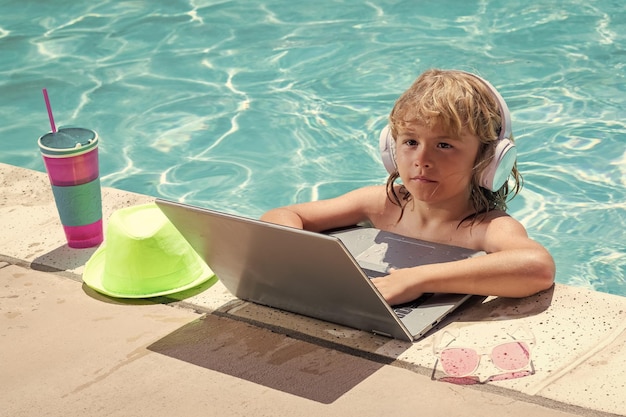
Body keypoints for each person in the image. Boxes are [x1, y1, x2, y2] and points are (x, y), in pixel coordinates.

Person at [260, 69, 555, 306]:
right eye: (411, 142)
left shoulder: (484, 227)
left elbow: (537, 267)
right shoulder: (381, 203)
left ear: (488, 160)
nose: (422, 160)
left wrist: (416, 279)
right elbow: (281, 215)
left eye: (444, 145)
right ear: (391, 146)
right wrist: (303, 260)